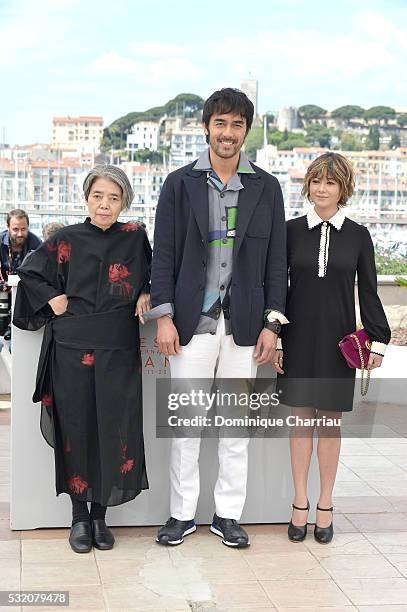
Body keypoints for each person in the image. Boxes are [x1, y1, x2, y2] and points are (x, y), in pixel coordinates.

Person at [143, 88, 287, 548]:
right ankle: (181, 515)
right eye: (220, 123)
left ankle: (228, 515)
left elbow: (277, 262)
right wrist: (164, 318)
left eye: (237, 124)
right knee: (186, 426)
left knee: (235, 428)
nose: (228, 133)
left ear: (247, 129)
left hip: (245, 328)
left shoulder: (267, 187)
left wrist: (272, 324)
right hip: (190, 327)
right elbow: (162, 255)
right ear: (206, 127)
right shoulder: (178, 184)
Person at [14, 165, 152, 553]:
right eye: (98, 196)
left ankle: (100, 517)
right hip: (72, 349)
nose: (105, 204)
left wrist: (147, 292)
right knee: (75, 430)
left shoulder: (135, 236)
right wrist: (52, 297)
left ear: (124, 200)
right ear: (86, 198)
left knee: (114, 428)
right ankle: (78, 516)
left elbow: (156, 273)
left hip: (118, 348)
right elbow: (29, 273)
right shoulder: (66, 238)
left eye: (113, 197)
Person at [276, 152, 391, 544]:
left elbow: (370, 293)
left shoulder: (359, 236)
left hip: (338, 342)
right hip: (297, 338)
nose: (321, 189)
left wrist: (378, 339)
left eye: (330, 182)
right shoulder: (289, 231)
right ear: (307, 185)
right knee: (300, 423)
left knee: (329, 424)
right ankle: (299, 502)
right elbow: (276, 288)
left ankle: (325, 504)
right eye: (316, 181)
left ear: (343, 189)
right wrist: (274, 336)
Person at [0, 209, 42, 339]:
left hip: (24, 287)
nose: (20, 233)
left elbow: (40, 272)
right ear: (8, 227)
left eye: (24, 229)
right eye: (15, 229)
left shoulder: (36, 243)